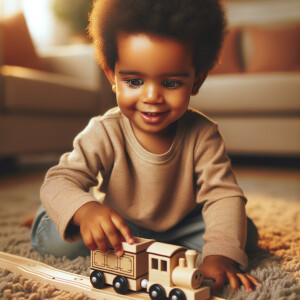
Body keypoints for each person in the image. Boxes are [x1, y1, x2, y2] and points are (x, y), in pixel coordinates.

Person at [31, 0, 260, 293]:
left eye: (172, 83)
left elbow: (223, 195)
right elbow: (59, 180)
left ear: (197, 80)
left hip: (181, 224)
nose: (152, 96)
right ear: (112, 76)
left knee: (242, 237)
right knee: (55, 238)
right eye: (135, 81)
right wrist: (84, 210)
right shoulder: (105, 131)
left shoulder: (203, 134)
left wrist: (220, 255)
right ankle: (50, 212)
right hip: (121, 225)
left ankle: (191, 244)